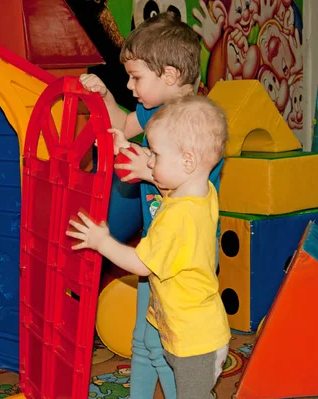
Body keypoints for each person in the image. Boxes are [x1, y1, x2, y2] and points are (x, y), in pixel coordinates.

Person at [80, 11, 226, 398]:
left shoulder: (196, 130)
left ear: (170, 76)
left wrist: (144, 167)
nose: (130, 85)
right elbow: (122, 126)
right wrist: (106, 98)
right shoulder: (149, 113)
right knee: (145, 339)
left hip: (178, 256)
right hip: (156, 242)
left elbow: (187, 194)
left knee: (169, 344)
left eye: (136, 77)